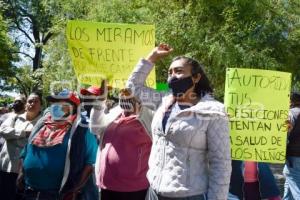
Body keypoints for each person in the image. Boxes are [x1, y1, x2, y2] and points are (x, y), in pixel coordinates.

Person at [126, 44, 232, 199]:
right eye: (170, 72)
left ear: (196, 77)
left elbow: (221, 163)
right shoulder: (163, 101)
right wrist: (152, 57)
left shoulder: (213, 111)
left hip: (189, 195)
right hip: (154, 192)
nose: (172, 76)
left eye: (179, 71)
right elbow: (132, 88)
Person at [18, 90, 98, 200]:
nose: (56, 106)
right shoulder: (41, 125)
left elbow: (90, 163)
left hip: (59, 195)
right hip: (28, 191)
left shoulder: (83, 130)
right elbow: (25, 152)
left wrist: (75, 189)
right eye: (54, 103)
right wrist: (21, 173)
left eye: (62, 104)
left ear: (73, 108)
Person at [90, 87, 153, 200]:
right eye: (122, 93)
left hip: (134, 188)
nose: (124, 96)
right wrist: (100, 101)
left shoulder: (149, 115)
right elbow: (95, 129)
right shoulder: (116, 112)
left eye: (128, 93)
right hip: (107, 184)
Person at [0, 92, 42, 200]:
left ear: (41, 105)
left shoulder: (43, 123)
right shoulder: (14, 118)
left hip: (26, 172)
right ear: (26, 104)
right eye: (30, 101)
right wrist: (25, 133)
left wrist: (13, 136)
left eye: (36, 101)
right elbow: (3, 131)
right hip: (6, 167)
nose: (32, 103)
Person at [283, 91, 300, 200]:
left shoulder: (291, 114)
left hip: (294, 155)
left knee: (296, 185)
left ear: (290, 101)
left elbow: (285, 132)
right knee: (289, 182)